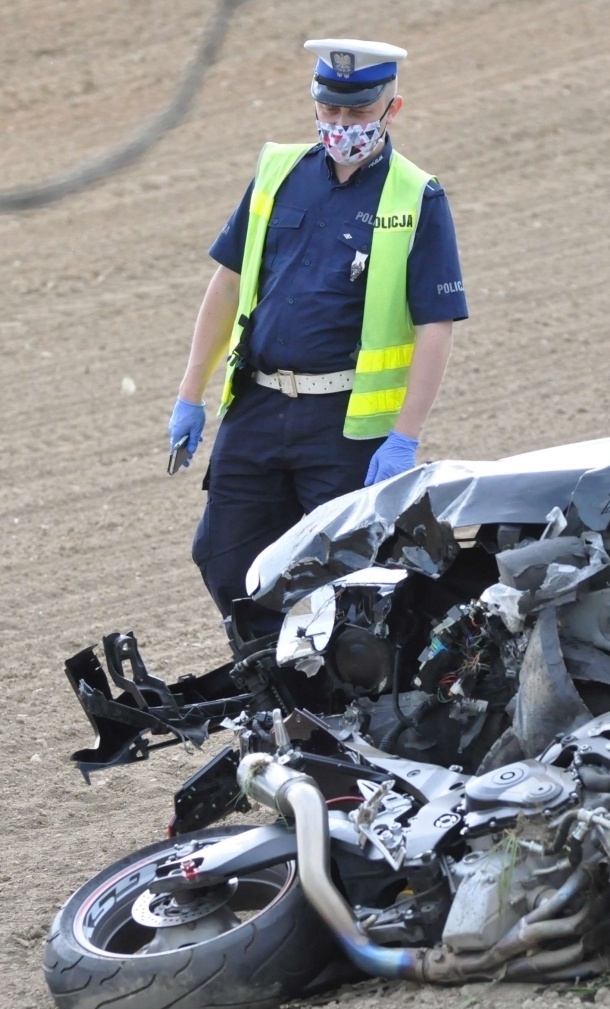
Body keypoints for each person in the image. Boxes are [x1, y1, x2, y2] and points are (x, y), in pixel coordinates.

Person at [168, 39, 468, 623]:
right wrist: (189, 395)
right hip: (258, 406)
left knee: (343, 575)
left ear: (391, 109)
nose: (340, 125)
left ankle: (336, 699)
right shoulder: (278, 173)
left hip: (344, 427)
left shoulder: (415, 197)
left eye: (356, 114)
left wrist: (405, 436)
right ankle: (272, 692)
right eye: (329, 111)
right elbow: (227, 283)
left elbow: (436, 325)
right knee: (225, 560)